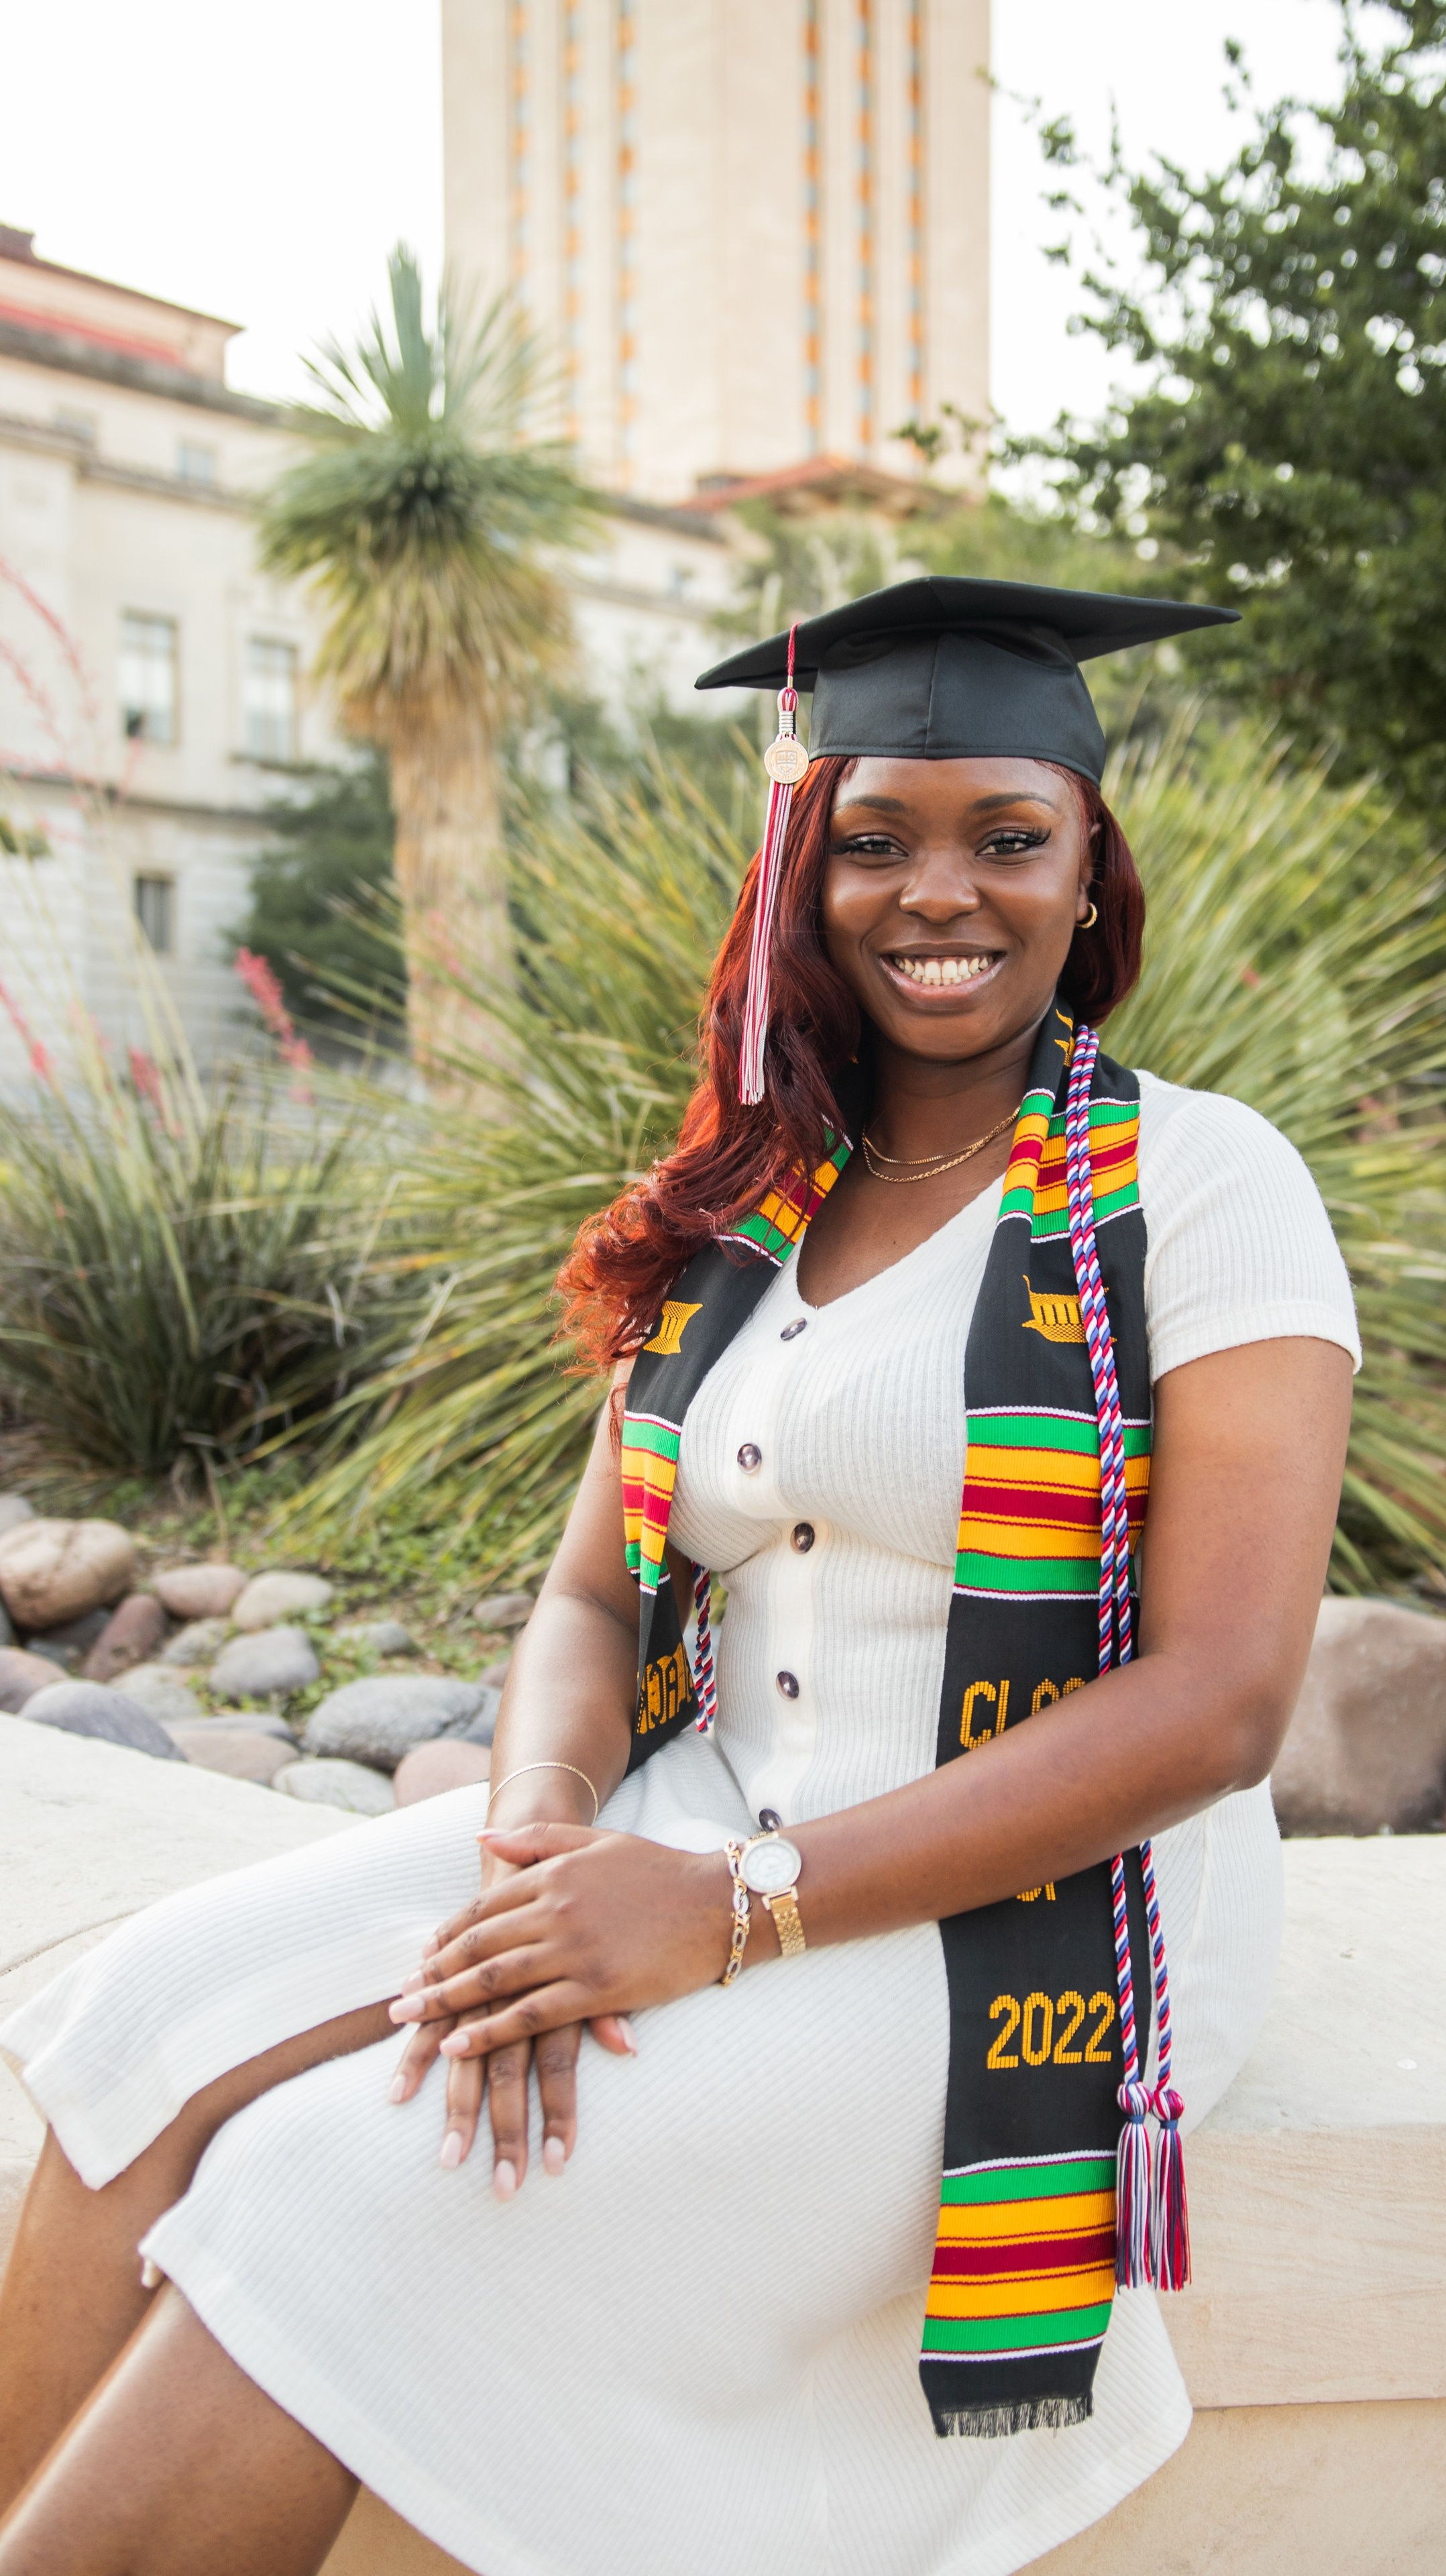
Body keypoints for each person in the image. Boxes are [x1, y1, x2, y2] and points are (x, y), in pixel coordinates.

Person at [0, 578, 1357, 2576]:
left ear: (1090, 874)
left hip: (1032, 1914)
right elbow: (591, 1602)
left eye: (1008, 837)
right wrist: (545, 1850)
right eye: (876, 841)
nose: (939, 892)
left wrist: (728, 1911)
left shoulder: (1206, 1186)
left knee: (333, 2192)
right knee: (149, 2017)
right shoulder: (747, 1190)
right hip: (689, 1815)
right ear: (809, 875)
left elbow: (1221, 1704)